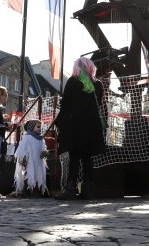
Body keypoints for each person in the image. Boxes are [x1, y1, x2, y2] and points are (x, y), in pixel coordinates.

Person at [55, 57, 105, 200]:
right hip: (92, 127)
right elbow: (99, 105)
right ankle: (88, 190)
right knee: (88, 159)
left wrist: (60, 124)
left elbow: (65, 106)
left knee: (74, 158)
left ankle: (70, 189)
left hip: (76, 127)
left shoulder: (73, 81)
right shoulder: (98, 84)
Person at [14, 119, 49, 197]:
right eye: (38, 127)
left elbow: (44, 149)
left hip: (38, 161)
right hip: (30, 161)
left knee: (38, 175)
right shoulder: (27, 137)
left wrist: (45, 153)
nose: (40, 128)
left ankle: (36, 190)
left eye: (41, 127)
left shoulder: (41, 139)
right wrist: (23, 160)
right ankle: (27, 190)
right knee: (29, 174)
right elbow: (22, 149)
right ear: (31, 127)